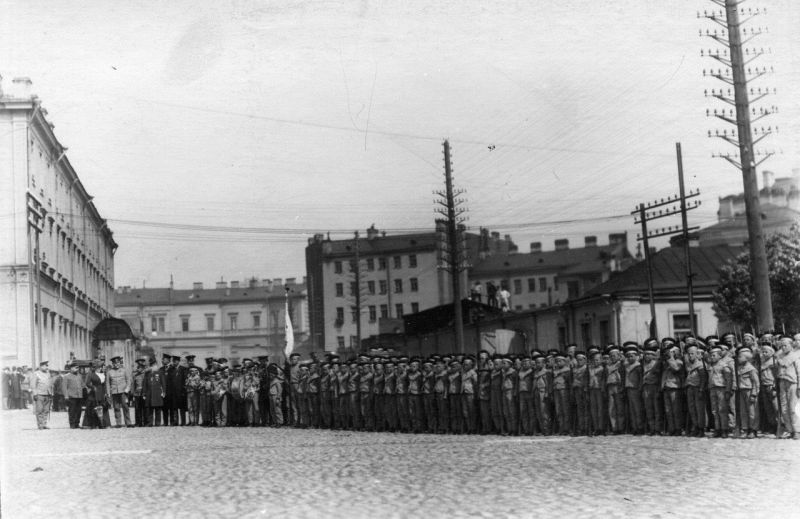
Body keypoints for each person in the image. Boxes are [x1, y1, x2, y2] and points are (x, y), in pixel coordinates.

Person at [775, 335, 800, 439]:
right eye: (782, 346)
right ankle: (789, 429)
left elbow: (799, 372)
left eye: (785, 345)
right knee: (784, 407)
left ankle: (797, 430)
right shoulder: (779, 357)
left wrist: (799, 386)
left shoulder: (795, 357)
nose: (783, 348)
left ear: (791, 345)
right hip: (782, 382)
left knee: (793, 407)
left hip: (792, 383)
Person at [735, 346, 760, 438]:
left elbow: (756, 383)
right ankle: (745, 429)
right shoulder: (739, 368)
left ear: (747, 358)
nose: (738, 358)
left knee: (752, 412)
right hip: (742, 391)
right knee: (743, 411)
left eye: (740, 357)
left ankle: (753, 429)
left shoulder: (751, 369)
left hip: (750, 391)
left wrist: (754, 393)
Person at [106, 356, 132, 428]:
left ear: (120, 362)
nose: (116, 364)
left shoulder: (124, 370)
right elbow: (108, 383)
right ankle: (118, 423)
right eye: (114, 363)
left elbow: (128, 380)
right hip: (114, 392)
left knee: (125, 407)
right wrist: (108, 392)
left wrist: (127, 388)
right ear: (112, 363)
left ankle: (128, 422)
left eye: (117, 362)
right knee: (116, 408)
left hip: (123, 392)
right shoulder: (109, 372)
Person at [143, 358, 165, 427]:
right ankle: (150, 423)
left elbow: (163, 383)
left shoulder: (160, 372)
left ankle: (157, 423)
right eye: (152, 365)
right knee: (149, 409)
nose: (153, 366)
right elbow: (144, 384)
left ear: (156, 364)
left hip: (157, 394)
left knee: (158, 409)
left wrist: (164, 391)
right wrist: (144, 393)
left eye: (154, 364)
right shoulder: (147, 374)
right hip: (149, 394)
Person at [63, 362, 85, 429]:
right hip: (71, 396)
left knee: (79, 411)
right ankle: (72, 424)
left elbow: (82, 385)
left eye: (78, 368)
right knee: (72, 411)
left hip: (79, 396)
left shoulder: (79, 376)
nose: (77, 369)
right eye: (76, 368)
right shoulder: (66, 376)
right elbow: (64, 387)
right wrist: (66, 396)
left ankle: (77, 423)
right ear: (71, 368)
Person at [32, 361, 53, 430]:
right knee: (39, 410)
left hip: (47, 394)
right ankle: (40, 425)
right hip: (39, 394)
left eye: (47, 366)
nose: (46, 367)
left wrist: (51, 393)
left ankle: (44, 424)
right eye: (44, 366)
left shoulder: (48, 374)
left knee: (46, 410)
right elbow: (33, 385)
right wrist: (35, 394)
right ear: (40, 366)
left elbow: (50, 384)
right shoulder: (36, 374)